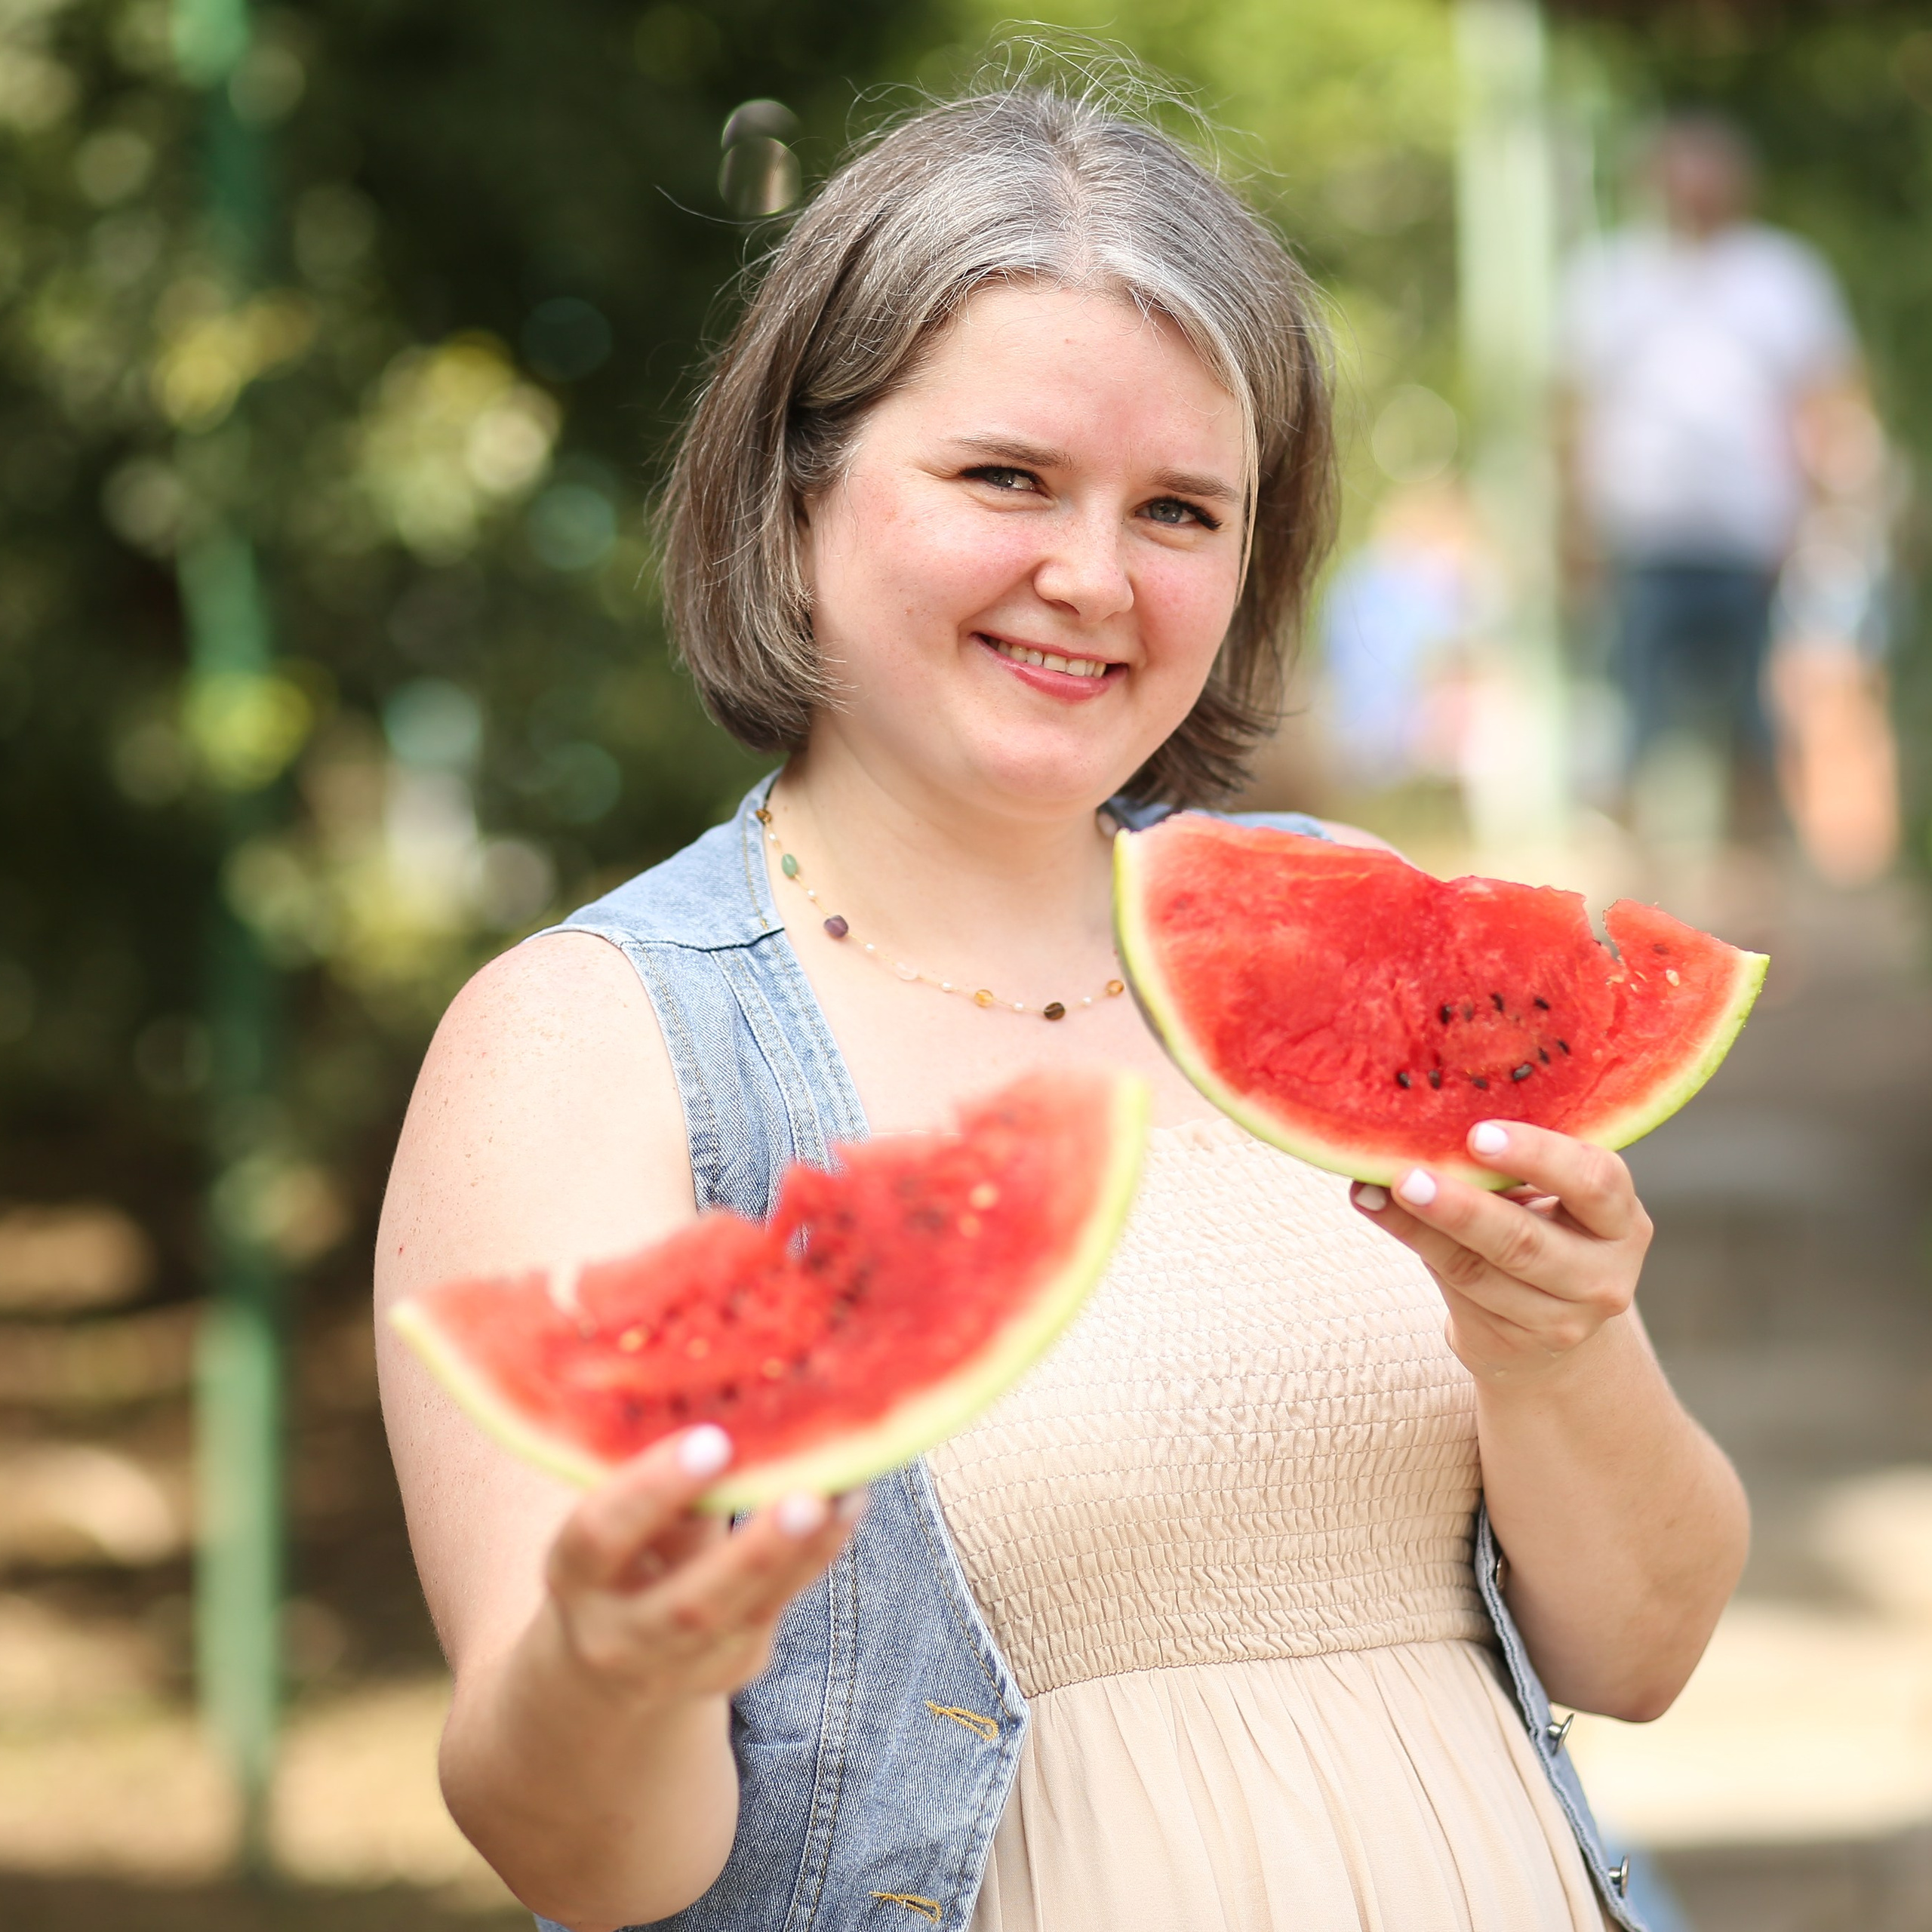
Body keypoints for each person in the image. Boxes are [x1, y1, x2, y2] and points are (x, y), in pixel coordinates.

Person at [376, 79, 1749, 1932]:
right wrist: (611, 1667)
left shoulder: (1335, 926)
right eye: (1004, 478)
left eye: (1178, 509)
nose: (1091, 578)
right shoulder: (588, 1039)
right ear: (797, 485)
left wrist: (1558, 1344)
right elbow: (587, 1857)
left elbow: (1642, 1649)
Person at [1558, 112, 1863, 836]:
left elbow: (1822, 404)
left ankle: (1759, 875)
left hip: (1755, 541)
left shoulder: (1784, 275)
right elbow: (1571, 411)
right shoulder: (1608, 276)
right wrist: (1575, 523)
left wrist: (1821, 519)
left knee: (1761, 726)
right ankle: (1635, 875)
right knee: (1632, 727)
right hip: (1640, 538)